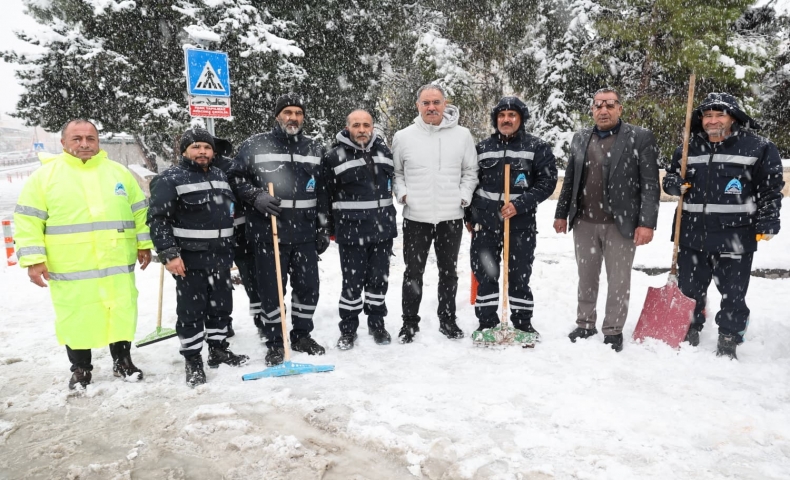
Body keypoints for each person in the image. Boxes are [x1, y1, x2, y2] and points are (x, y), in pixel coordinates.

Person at [14, 119, 152, 389]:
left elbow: (139, 211)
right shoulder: (44, 178)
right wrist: (33, 260)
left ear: (98, 142)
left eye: (90, 138)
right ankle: (80, 368)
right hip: (71, 268)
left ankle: (122, 361)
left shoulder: (118, 173)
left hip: (115, 265)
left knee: (120, 312)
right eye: (77, 139)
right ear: (63, 143)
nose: (85, 144)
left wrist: (143, 243)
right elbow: (27, 221)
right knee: (76, 317)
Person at [663, 92, 783, 359]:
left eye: (719, 115)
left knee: (733, 291)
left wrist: (768, 219)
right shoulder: (688, 147)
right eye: (707, 115)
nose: (712, 120)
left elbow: (771, 189)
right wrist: (672, 184)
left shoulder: (758, 147)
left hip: (736, 233)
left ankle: (730, 333)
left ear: (733, 117)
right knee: (690, 287)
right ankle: (690, 326)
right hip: (693, 232)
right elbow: (671, 176)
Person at [553, 88, 660, 352]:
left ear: (620, 109)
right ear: (592, 109)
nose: (604, 110)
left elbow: (650, 184)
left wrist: (646, 222)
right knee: (586, 276)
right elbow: (570, 179)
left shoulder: (640, 137)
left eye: (610, 105)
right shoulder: (580, 138)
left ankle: (613, 330)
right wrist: (561, 213)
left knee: (619, 279)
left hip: (620, 224)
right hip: (584, 222)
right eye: (598, 105)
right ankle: (585, 323)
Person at [229, 93, 330, 366]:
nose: (293, 117)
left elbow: (323, 191)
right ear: (277, 116)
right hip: (269, 231)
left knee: (308, 288)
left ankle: (301, 335)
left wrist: (323, 227)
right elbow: (235, 177)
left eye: (298, 113)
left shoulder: (314, 148)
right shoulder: (255, 144)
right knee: (272, 291)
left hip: (305, 233)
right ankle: (275, 341)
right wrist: (254, 196)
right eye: (287, 112)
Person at [148, 128, 248, 387]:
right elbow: (158, 220)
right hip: (189, 260)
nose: (202, 151)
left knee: (221, 307)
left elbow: (228, 213)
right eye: (196, 147)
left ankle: (218, 349)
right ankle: (193, 360)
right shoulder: (170, 178)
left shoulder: (220, 175)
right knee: (191, 312)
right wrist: (169, 254)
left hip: (221, 257)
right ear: (184, 151)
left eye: (207, 147)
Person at [392, 84, 479, 343]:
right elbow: (396, 173)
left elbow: (470, 171)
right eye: (426, 103)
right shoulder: (404, 136)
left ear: (445, 104)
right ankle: (409, 322)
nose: (431, 107)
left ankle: (448, 319)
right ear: (418, 105)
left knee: (448, 272)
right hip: (415, 217)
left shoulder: (462, 136)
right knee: (413, 272)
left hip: (450, 217)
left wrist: (462, 197)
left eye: (436, 102)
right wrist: (404, 194)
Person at [466, 97, 557, 340]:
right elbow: (469, 182)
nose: (506, 119)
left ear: (521, 119)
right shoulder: (483, 148)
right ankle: (486, 323)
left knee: (519, 275)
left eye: (512, 115)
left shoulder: (537, 147)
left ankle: (522, 323)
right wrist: (469, 215)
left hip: (520, 224)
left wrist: (520, 205)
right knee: (486, 275)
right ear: (496, 120)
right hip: (485, 223)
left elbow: (547, 183)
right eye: (502, 115)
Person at [323, 109, 397, 350]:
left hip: (383, 231)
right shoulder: (334, 157)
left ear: (372, 127)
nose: (362, 130)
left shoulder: (385, 152)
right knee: (352, 284)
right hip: (351, 233)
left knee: (378, 282)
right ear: (348, 128)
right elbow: (325, 197)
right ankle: (348, 328)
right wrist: (328, 229)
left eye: (366, 125)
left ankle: (377, 323)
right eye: (357, 125)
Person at [210, 136, 260, 338]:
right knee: (221, 282)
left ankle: (259, 318)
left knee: (251, 278)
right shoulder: (191, 172)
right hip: (216, 236)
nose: (204, 152)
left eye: (208, 147)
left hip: (239, 231)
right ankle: (224, 323)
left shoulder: (230, 167)